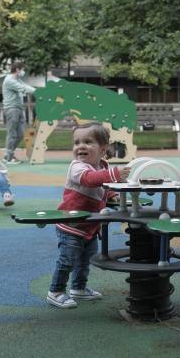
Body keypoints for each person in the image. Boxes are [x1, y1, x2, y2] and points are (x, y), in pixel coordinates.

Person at [47, 122, 130, 309]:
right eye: (76, 143)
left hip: (90, 226)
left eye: (87, 142)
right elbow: (90, 181)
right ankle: (56, 291)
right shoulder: (77, 167)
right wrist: (115, 174)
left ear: (103, 149)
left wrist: (113, 195)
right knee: (67, 259)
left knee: (86, 259)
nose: (80, 146)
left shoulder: (101, 166)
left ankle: (78, 288)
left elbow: (102, 188)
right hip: (71, 224)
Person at [2, 62, 36, 165]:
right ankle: (8, 157)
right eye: (22, 69)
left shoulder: (17, 79)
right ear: (17, 69)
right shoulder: (9, 80)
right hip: (11, 109)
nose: (23, 72)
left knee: (20, 134)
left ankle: (9, 153)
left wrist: (38, 90)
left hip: (19, 109)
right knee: (12, 134)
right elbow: (24, 88)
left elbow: (25, 85)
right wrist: (39, 92)